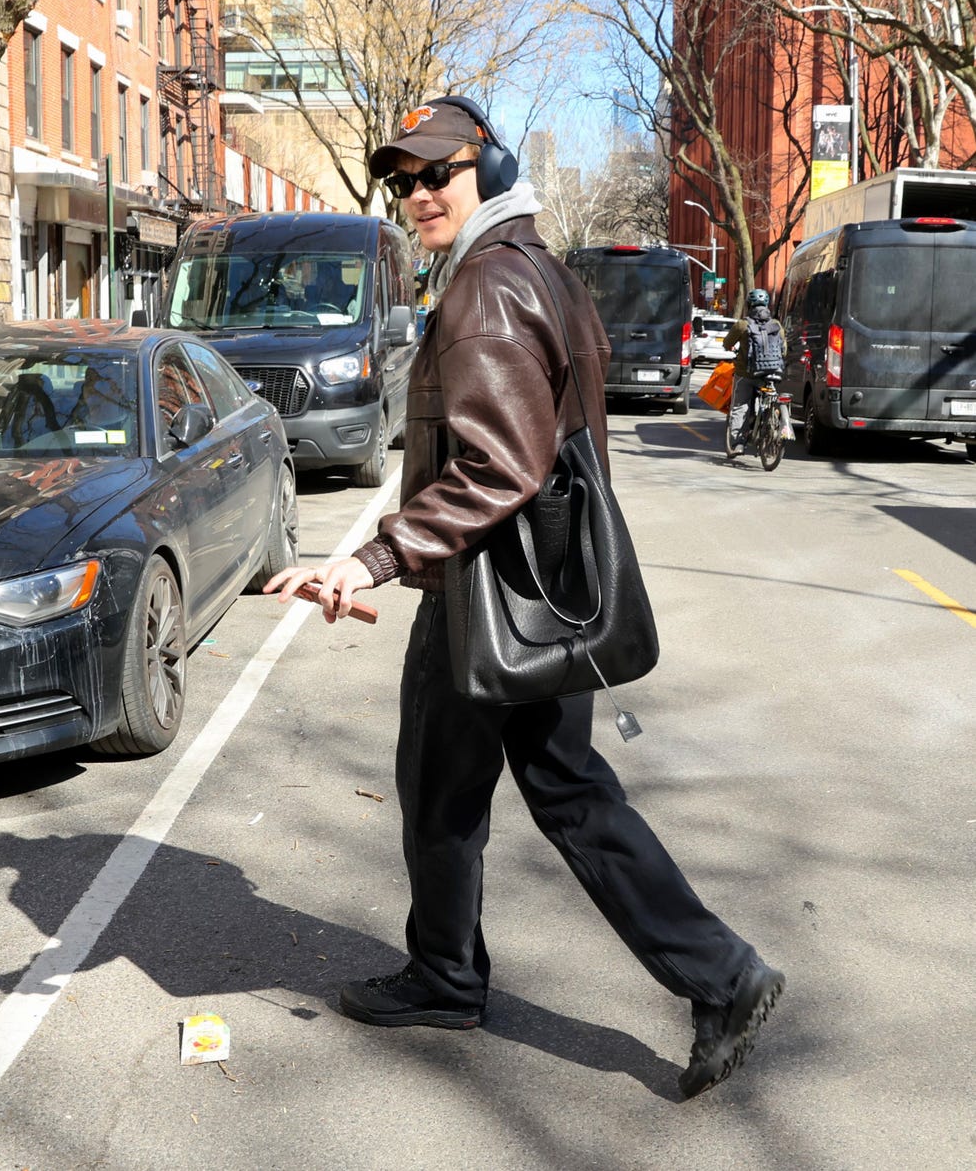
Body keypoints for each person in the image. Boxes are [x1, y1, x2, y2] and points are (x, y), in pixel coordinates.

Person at [265, 98, 784, 1100]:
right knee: (552, 788)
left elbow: (496, 466)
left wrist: (368, 559)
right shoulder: (540, 268)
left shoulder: (485, 290)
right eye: (403, 180)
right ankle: (703, 975)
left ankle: (458, 973)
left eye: (436, 174)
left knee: (449, 788)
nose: (417, 194)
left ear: (490, 167)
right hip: (540, 589)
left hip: (486, 594)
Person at [722, 289, 787, 459]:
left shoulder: (742, 325)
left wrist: (731, 348)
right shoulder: (777, 325)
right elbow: (784, 350)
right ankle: (770, 420)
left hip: (746, 373)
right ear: (767, 305)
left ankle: (738, 444)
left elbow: (727, 343)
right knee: (770, 398)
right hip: (771, 373)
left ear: (749, 305)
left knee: (740, 406)